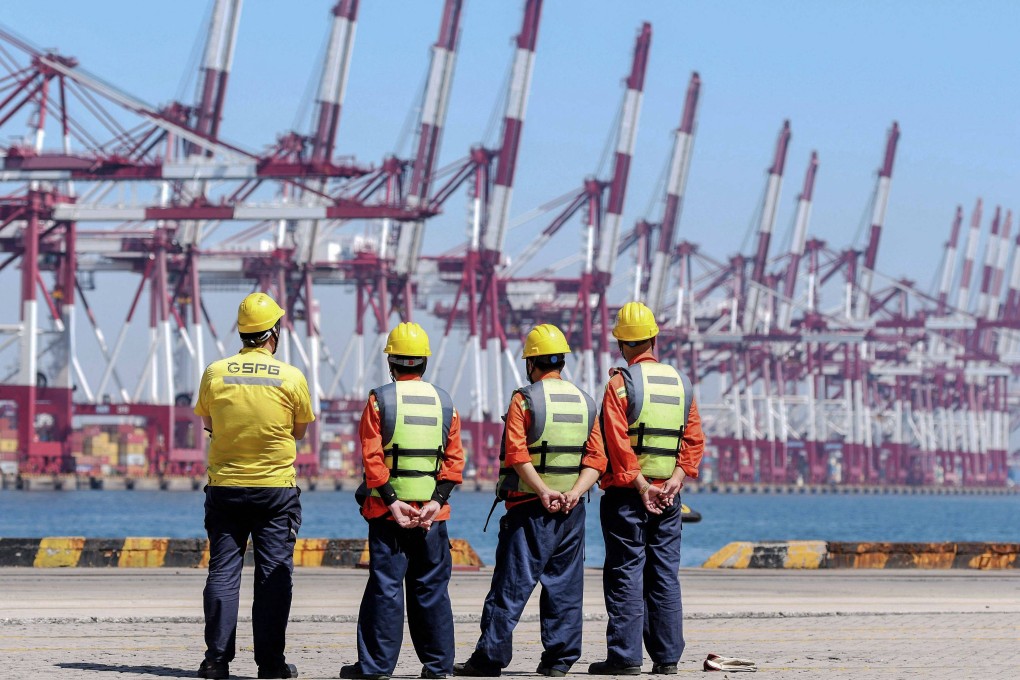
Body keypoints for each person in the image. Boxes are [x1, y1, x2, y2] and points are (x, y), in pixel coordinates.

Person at [455, 324, 606, 678]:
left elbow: (517, 454)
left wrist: (542, 491)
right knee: (565, 589)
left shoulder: (525, 399)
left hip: (528, 509)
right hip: (572, 511)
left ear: (531, 364)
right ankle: (558, 662)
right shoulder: (586, 401)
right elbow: (597, 460)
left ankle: (488, 659)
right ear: (562, 361)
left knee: (510, 586)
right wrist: (574, 492)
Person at [194, 292, 315, 680]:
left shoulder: (215, 372)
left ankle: (215, 662)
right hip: (275, 491)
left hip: (226, 487)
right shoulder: (291, 377)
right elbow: (299, 431)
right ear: (273, 333)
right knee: (273, 574)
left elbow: (209, 423)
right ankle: (271, 665)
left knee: (223, 572)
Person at [340, 322, 465, 680]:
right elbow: (454, 462)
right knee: (432, 591)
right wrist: (435, 502)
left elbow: (372, 458)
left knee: (386, 589)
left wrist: (394, 503)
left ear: (391, 362)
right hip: (432, 517)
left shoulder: (380, 400)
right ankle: (439, 667)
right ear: (424, 362)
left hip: (387, 513)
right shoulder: (445, 402)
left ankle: (377, 668)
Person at [587, 302, 705, 676]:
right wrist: (676, 479)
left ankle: (624, 658)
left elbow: (617, 443)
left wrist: (640, 484)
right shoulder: (681, 383)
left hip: (628, 496)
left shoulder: (620, 384)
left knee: (625, 572)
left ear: (622, 344)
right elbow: (694, 439)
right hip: (669, 497)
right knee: (665, 573)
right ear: (655, 338)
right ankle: (667, 659)